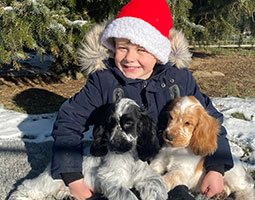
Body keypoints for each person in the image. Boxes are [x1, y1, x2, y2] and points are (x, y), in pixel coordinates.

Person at [51, 0, 234, 199]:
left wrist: (216, 168)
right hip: (117, 169)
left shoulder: (178, 78)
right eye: (123, 48)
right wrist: (73, 177)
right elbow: (69, 121)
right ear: (113, 46)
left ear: (158, 52)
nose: (129, 58)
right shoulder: (104, 80)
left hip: (167, 167)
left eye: (141, 50)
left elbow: (211, 121)